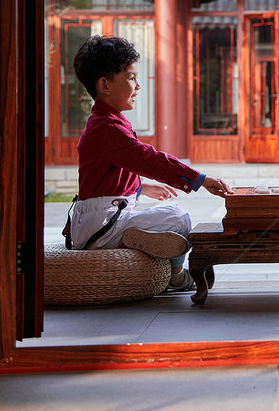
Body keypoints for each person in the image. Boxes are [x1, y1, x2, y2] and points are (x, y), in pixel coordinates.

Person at [69, 35, 232, 292]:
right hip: (101, 227)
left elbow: (107, 177)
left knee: (174, 218)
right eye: (131, 78)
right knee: (177, 218)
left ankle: (136, 240)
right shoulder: (107, 128)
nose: (138, 86)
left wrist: (141, 189)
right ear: (105, 85)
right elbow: (148, 159)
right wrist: (200, 180)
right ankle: (175, 275)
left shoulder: (105, 122)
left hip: (100, 220)